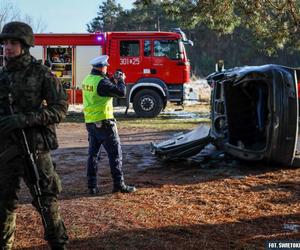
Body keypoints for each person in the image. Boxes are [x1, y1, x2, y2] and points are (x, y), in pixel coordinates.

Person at [0, 22, 69, 249]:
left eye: (13, 43)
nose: (7, 47)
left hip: (35, 149)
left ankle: (59, 244)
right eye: (5, 43)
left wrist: (24, 119)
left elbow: (60, 109)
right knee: (3, 203)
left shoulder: (42, 74)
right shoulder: (2, 77)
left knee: (46, 201)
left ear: (25, 45)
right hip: (6, 151)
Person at [82, 55, 136, 195]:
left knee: (93, 155)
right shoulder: (102, 83)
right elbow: (121, 92)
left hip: (91, 123)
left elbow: (103, 88)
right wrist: (121, 80)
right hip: (105, 123)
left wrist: (113, 79)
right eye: (106, 66)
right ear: (102, 67)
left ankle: (92, 186)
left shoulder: (88, 80)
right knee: (115, 155)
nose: (107, 69)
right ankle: (119, 185)